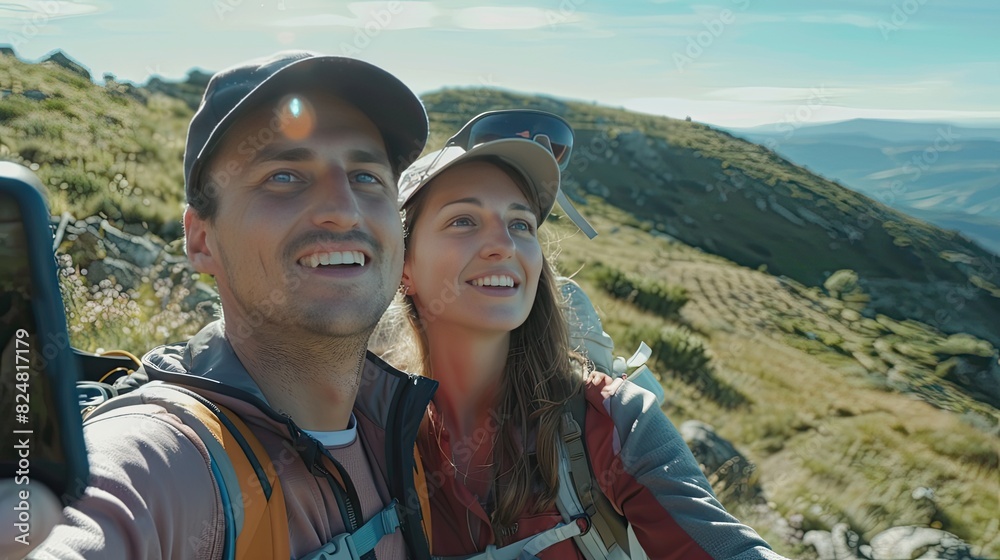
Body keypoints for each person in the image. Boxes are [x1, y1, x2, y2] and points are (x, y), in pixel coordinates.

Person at [16, 50, 438, 559]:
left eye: (367, 177)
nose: (342, 209)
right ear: (200, 241)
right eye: (284, 176)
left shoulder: (402, 433)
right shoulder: (162, 461)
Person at [385, 124, 789, 559]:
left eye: (521, 223)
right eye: (463, 220)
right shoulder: (373, 435)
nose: (504, 244)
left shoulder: (614, 420)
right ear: (403, 267)